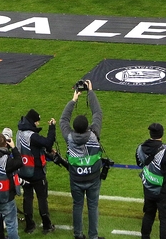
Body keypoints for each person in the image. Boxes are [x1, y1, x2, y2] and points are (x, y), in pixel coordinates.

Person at [60, 80, 104, 239]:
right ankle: (93, 236)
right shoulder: (94, 135)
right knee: (93, 206)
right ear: (88, 126)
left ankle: (78, 234)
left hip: (76, 178)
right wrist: (90, 91)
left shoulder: (69, 137)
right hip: (93, 178)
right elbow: (97, 113)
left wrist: (73, 100)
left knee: (77, 205)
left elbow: (63, 120)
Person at [136, 123, 166, 239]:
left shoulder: (140, 148)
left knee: (148, 214)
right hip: (163, 191)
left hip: (148, 188)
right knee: (165, 219)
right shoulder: (165, 152)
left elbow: (139, 163)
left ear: (150, 134)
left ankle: (145, 237)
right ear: (162, 134)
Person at [17, 110, 57, 233]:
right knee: (42, 198)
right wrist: (52, 127)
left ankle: (29, 226)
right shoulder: (32, 136)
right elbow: (48, 143)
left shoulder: (19, 132)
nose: (38, 124)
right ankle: (46, 225)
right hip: (36, 172)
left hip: (23, 172)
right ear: (33, 121)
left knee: (27, 198)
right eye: (37, 121)